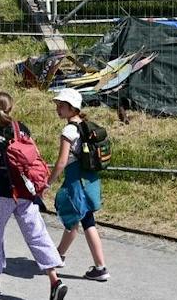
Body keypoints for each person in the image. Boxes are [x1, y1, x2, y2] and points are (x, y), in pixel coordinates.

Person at [0, 92, 68, 300]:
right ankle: (54, 280)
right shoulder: (21, 128)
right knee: (36, 234)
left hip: (3, 192)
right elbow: (34, 155)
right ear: (11, 108)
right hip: (26, 189)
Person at [48, 89, 108, 282]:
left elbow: (61, 162)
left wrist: (48, 182)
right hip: (89, 178)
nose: (58, 109)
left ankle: (60, 257)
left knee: (75, 218)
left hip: (75, 181)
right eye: (57, 105)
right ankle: (96, 266)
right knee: (85, 220)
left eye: (62, 106)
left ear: (72, 108)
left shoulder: (68, 131)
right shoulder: (85, 126)